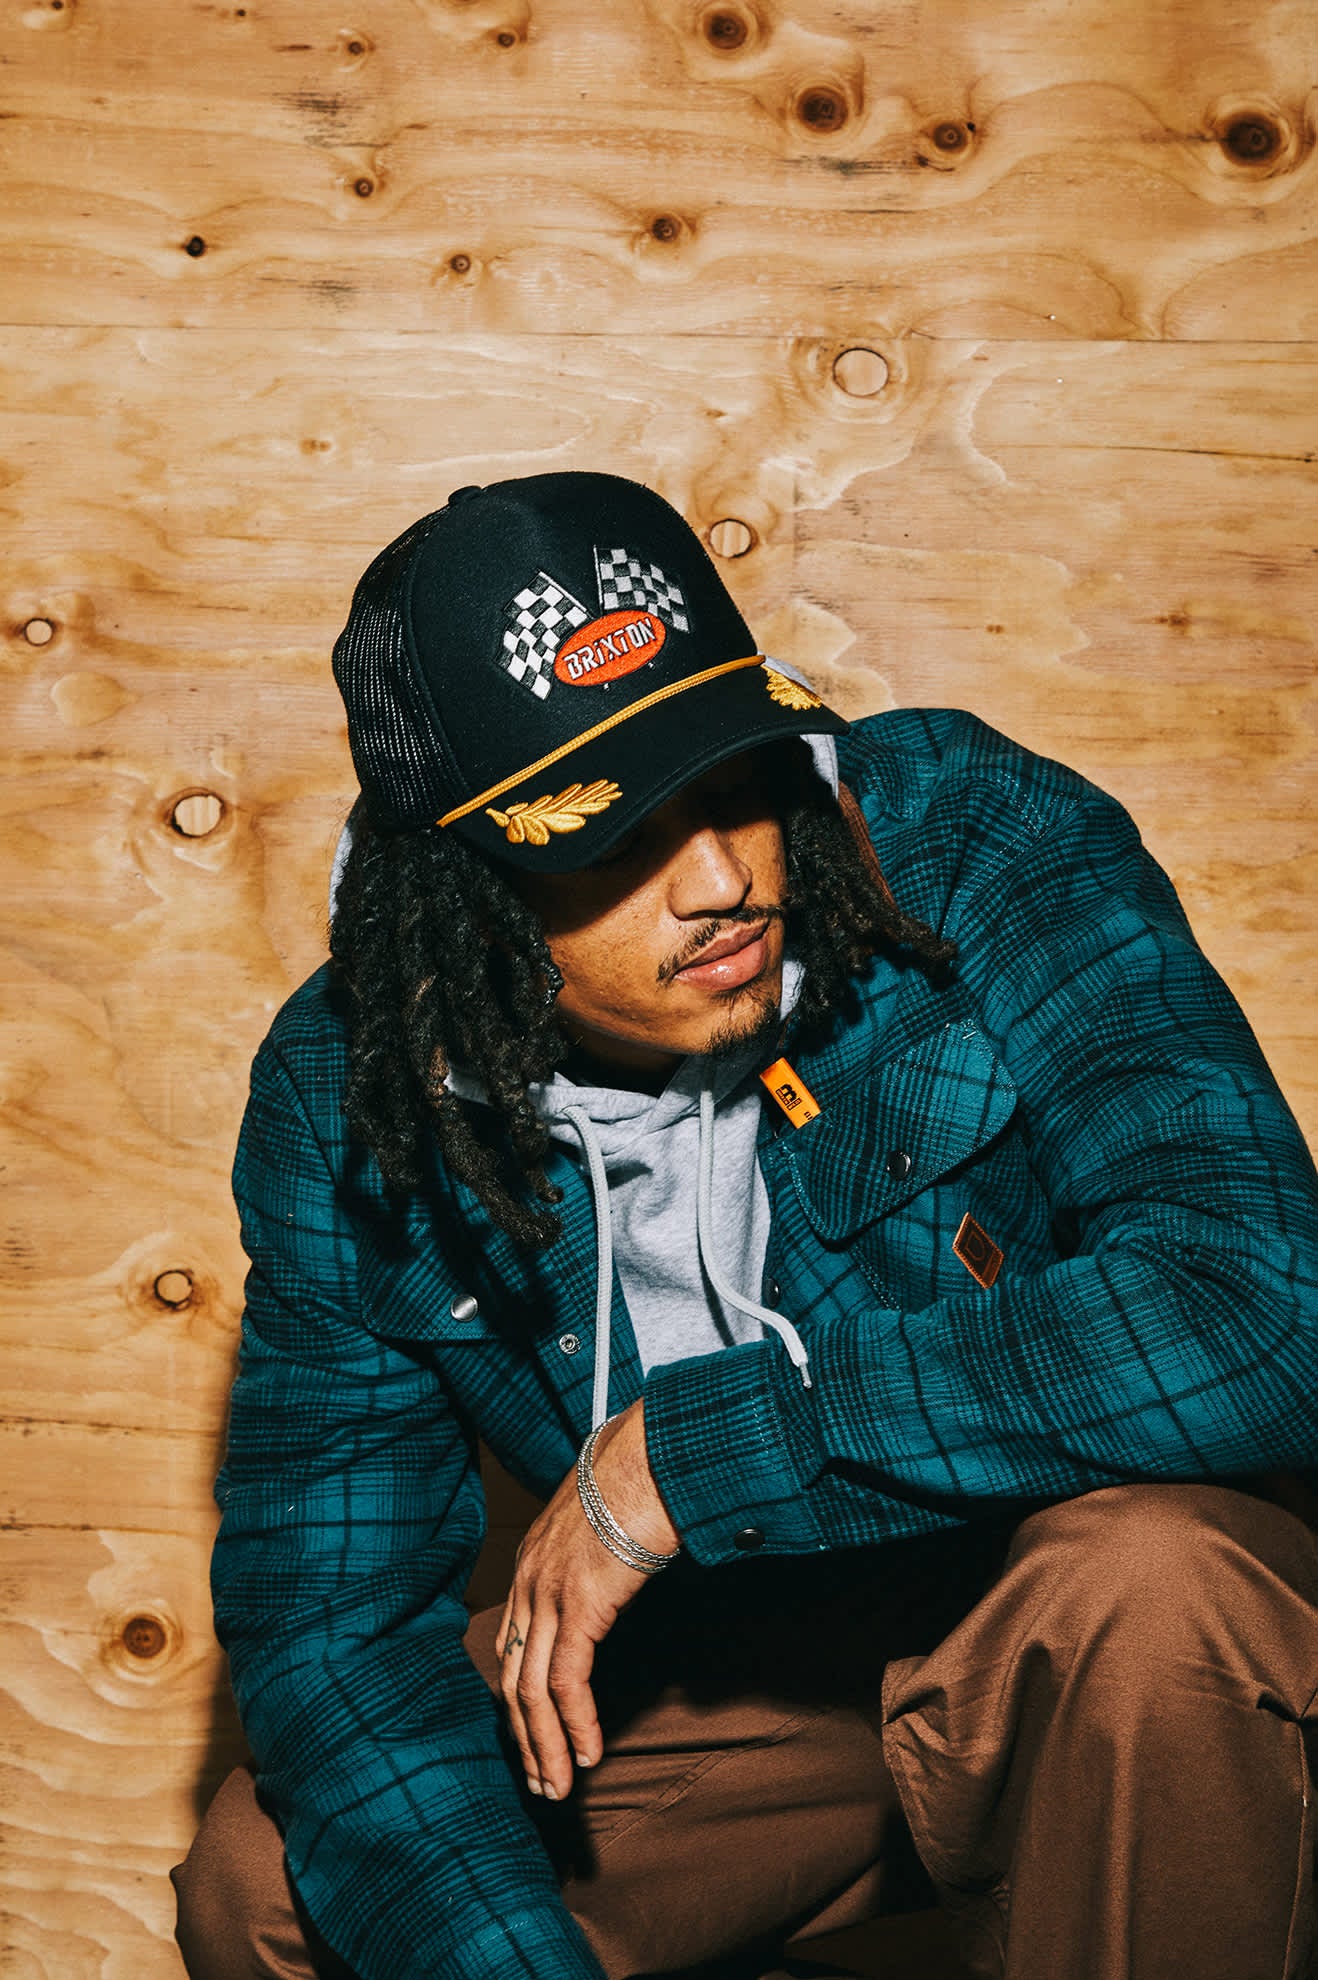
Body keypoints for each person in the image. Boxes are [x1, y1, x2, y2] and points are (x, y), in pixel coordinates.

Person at [173, 472, 1318, 1980]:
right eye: (606, 837)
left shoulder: (968, 836)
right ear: (455, 887)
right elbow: (334, 1629)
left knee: (1156, 1589)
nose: (720, 882)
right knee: (278, 1879)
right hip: (745, 1685)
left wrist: (705, 1451)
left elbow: (1264, 1308)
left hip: (1076, 1628)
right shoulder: (353, 1091)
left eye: (732, 780)